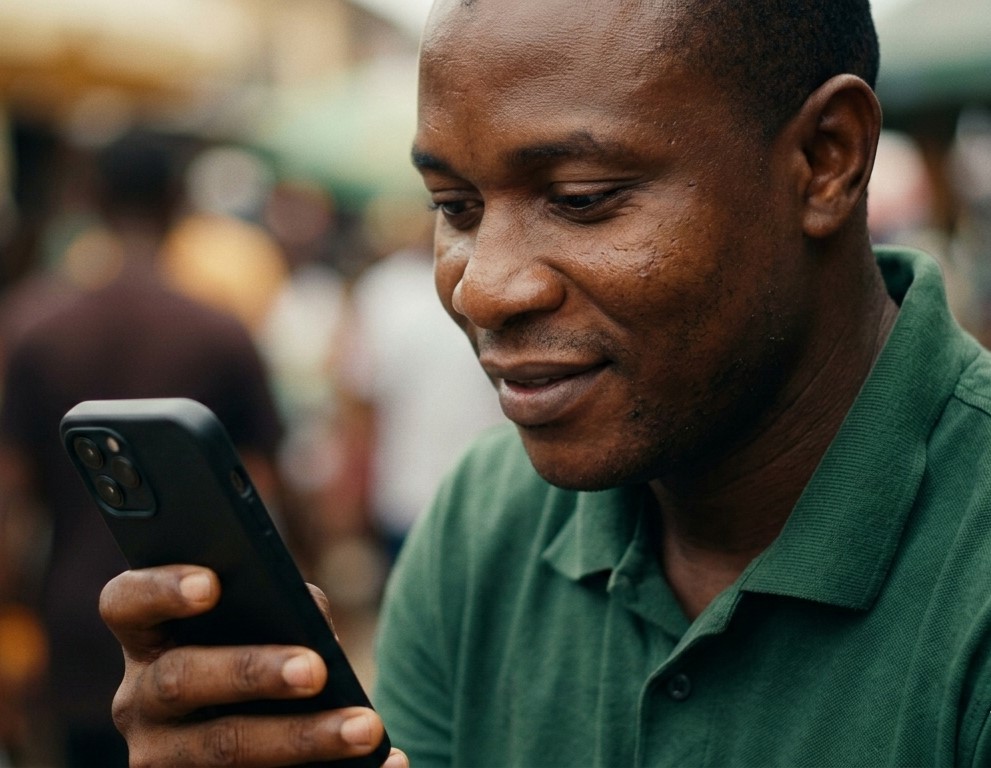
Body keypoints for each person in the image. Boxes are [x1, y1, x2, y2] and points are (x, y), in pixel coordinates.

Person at [97, 0, 991, 765]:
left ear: (826, 159)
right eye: (455, 208)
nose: (482, 285)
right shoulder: (484, 525)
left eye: (581, 196)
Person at [0, 129, 284, 767]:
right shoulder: (218, 329)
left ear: (90, 200)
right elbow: (264, 494)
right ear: (178, 200)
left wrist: (9, 629)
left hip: (70, 624)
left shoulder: (33, 325)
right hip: (194, 625)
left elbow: (9, 499)